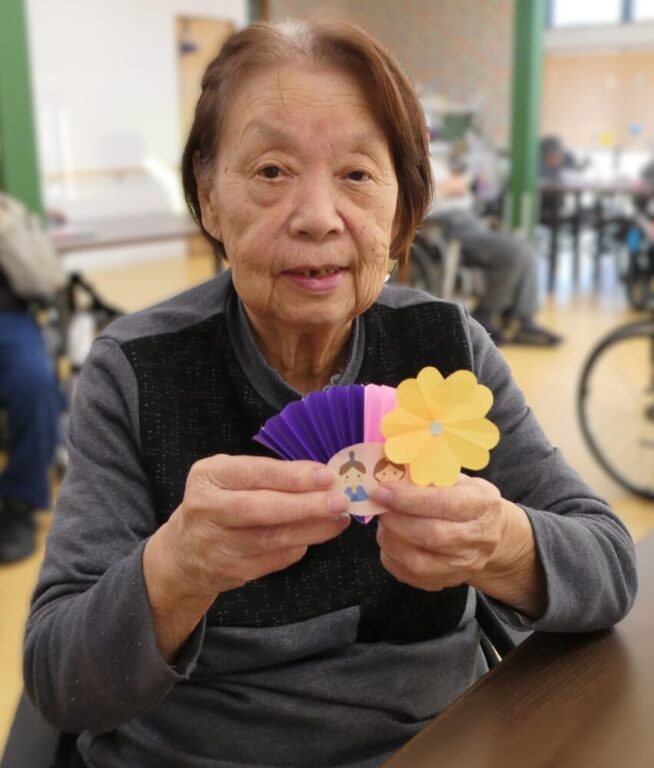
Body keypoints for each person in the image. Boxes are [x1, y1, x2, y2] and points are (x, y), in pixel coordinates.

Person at [24, 20, 637, 768]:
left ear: (401, 207)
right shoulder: (135, 371)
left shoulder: (447, 350)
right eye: (271, 170)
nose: (317, 218)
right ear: (209, 198)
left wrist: (501, 543)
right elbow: (59, 678)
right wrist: (178, 568)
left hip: (434, 746)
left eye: (357, 174)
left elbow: (612, 566)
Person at [423, 144, 562, 346]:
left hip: (469, 218)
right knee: (514, 251)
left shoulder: (433, 163)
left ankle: (524, 320)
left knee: (525, 247)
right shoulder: (407, 165)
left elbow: (463, 192)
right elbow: (416, 204)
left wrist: (460, 186)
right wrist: (446, 189)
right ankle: (485, 314)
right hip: (445, 225)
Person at [0, 193, 61, 564]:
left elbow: (46, 280)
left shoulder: (8, 213)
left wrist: (7, 227)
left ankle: (20, 499)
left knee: (34, 381)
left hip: (8, 318)